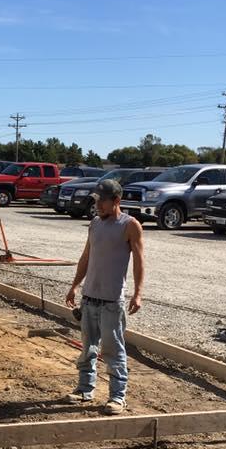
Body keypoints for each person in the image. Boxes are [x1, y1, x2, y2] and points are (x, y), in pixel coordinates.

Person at [62, 178, 145, 415]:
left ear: (116, 201)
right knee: (88, 348)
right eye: (96, 200)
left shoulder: (130, 225)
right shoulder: (95, 223)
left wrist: (138, 293)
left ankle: (117, 397)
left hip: (111, 301)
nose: (97, 205)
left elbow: (139, 261)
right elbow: (86, 257)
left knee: (113, 350)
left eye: (102, 201)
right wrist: (75, 285)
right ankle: (84, 389)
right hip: (89, 298)